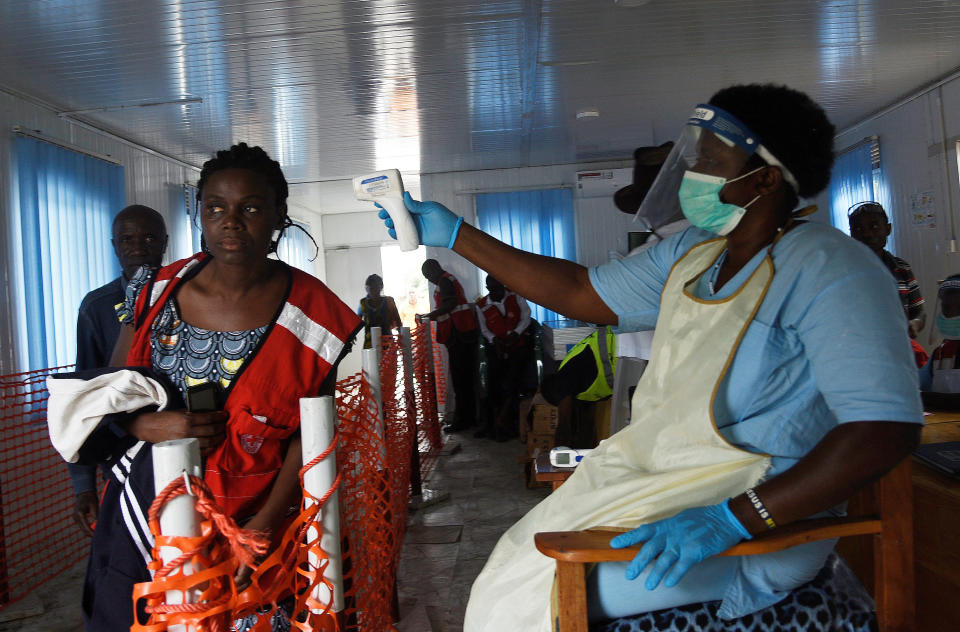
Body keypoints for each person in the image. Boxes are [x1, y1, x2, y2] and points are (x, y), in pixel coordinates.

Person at [378, 84, 922, 631]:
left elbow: (883, 430)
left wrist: (735, 518)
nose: (695, 172)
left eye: (712, 159)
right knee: (510, 578)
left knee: (539, 604)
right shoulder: (696, 255)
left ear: (764, 177)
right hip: (671, 482)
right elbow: (580, 291)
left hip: (755, 517)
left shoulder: (831, 268)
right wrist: (452, 234)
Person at [76, 143, 361, 631]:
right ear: (200, 214)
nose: (232, 221)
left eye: (250, 208)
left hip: (256, 518)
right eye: (216, 208)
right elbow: (111, 391)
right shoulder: (155, 292)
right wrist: (147, 424)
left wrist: (265, 524)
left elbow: (311, 435)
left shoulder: (315, 313)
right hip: (148, 514)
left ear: (277, 216)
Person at [69, 205, 167, 537]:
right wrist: (83, 484)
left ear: (165, 243)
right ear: (114, 245)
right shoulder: (97, 307)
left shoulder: (189, 293)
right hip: (121, 453)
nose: (138, 246)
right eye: (127, 239)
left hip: (185, 442)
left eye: (149, 237)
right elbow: (84, 397)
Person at [848, 201, 926, 338]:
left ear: (888, 229)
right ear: (851, 234)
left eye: (874, 226)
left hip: (898, 348)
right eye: (858, 229)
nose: (867, 234)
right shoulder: (843, 270)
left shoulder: (902, 268)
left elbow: (919, 312)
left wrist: (914, 324)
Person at [419, 258, 480, 432]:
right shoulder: (446, 280)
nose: (428, 279)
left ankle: (463, 420)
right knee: (465, 380)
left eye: (427, 275)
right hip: (461, 334)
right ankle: (468, 418)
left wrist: (430, 316)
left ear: (434, 269)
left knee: (461, 380)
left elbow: (451, 304)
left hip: (459, 335)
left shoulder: (444, 281)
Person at [475, 275, 533, 439]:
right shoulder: (481, 306)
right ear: (488, 289)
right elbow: (484, 330)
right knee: (493, 382)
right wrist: (495, 341)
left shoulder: (516, 296)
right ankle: (492, 423)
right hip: (497, 346)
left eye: (500, 288)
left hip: (518, 344)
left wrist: (516, 333)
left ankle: (505, 422)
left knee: (513, 379)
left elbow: (526, 316)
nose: (499, 292)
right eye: (494, 289)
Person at [919, 274, 960, 392]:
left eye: (959, 308)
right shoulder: (940, 353)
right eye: (946, 308)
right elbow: (916, 387)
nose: (951, 315)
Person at [357, 273, 402, 348]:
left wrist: (402, 339)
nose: (373, 291)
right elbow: (357, 323)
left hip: (388, 343)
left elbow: (398, 322)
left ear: (381, 287)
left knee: (388, 359)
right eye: (371, 288)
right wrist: (351, 337)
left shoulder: (389, 301)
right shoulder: (363, 304)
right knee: (372, 359)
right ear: (366, 289)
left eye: (376, 287)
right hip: (370, 345)